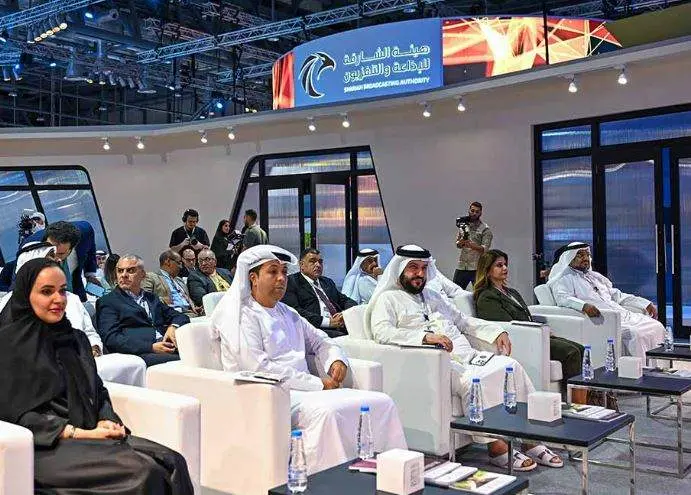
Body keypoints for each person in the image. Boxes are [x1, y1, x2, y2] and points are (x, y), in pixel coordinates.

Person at [0, 258, 194, 494]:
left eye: (62, 291)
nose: (58, 300)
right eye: (46, 292)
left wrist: (107, 419)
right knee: (144, 473)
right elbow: (16, 415)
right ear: (25, 296)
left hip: (91, 430)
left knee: (173, 461)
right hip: (45, 445)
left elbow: (97, 390)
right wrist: (81, 434)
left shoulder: (75, 339)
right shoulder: (9, 346)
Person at [211, 244, 407, 474]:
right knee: (329, 413)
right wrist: (318, 384)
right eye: (273, 272)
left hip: (304, 389)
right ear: (253, 278)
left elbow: (321, 341)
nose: (281, 278)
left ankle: (391, 475)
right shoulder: (241, 316)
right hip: (269, 393)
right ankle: (329, 483)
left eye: (284, 272)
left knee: (381, 402)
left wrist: (335, 360)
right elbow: (259, 368)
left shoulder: (288, 312)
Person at [368, 245, 563, 471]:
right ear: (400, 270)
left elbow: (463, 321)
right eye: (413, 268)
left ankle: (530, 439)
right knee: (474, 382)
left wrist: (495, 332)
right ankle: (496, 447)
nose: (419, 274)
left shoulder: (433, 296)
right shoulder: (388, 299)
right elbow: (382, 332)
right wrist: (425, 337)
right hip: (436, 364)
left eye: (423, 268)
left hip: (467, 356)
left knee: (510, 366)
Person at [0, 242, 147, 387]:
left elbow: (89, 332)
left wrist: (95, 347)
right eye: (51, 256)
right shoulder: (8, 305)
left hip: (87, 360)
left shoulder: (72, 298)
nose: (58, 260)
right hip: (43, 373)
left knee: (134, 365)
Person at [474, 249, 585, 401]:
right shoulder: (487, 296)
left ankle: (584, 398)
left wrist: (542, 330)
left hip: (534, 335)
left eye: (505, 264)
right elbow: (504, 325)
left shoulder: (511, 292)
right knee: (571, 352)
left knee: (580, 348)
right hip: (523, 340)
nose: (505, 268)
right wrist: (537, 331)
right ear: (487, 270)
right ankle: (576, 402)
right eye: (499, 265)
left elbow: (525, 317)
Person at [548, 242, 664, 359]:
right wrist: (584, 306)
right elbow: (563, 298)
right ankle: (637, 370)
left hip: (622, 315)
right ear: (570, 258)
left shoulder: (595, 277)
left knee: (655, 325)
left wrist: (645, 303)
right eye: (580, 255)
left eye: (587, 255)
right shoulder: (564, 278)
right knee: (635, 334)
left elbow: (617, 295)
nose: (585, 258)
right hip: (602, 319)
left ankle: (659, 366)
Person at [96, 255, 189, 367]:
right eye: (120, 271)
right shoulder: (108, 301)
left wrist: (173, 326)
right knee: (187, 361)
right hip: (140, 354)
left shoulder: (151, 298)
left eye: (130, 270)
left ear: (143, 275)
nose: (124, 275)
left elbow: (181, 317)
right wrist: (151, 347)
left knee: (204, 352)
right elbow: (111, 339)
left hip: (167, 346)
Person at [282, 248, 357, 338]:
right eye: (312, 261)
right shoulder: (291, 282)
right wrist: (329, 322)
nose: (318, 265)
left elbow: (346, 301)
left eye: (320, 262)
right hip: (314, 329)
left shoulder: (327, 282)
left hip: (339, 325)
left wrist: (345, 314)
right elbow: (294, 311)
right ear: (301, 264)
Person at [143, 250, 202, 318]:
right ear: (167, 261)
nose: (181, 267)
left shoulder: (179, 280)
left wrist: (193, 306)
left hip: (190, 313)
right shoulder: (151, 277)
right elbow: (145, 298)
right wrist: (163, 300)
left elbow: (187, 298)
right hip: (170, 315)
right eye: (179, 263)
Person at [453, 202, 493, 289]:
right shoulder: (463, 225)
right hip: (462, 265)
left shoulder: (485, 229)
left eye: (477, 212)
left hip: (477, 267)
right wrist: (460, 243)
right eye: (472, 210)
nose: (474, 213)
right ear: (469, 210)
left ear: (481, 213)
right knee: (455, 292)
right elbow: (457, 244)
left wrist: (471, 245)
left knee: (479, 293)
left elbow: (485, 249)